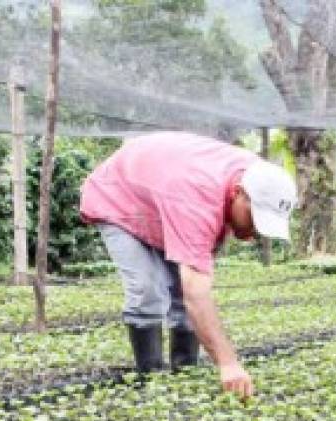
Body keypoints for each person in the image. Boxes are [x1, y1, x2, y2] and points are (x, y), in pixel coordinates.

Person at [80, 131, 298, 399]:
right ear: (239, 194)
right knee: (148, 288)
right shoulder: (197, 199)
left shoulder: (255, 174)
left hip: (164, 197)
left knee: (181, 291)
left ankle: (184, 370)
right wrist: (228, 363)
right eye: (254, 219)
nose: (254, 232)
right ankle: (150, 377)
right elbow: (196, 291)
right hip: (119, 198)